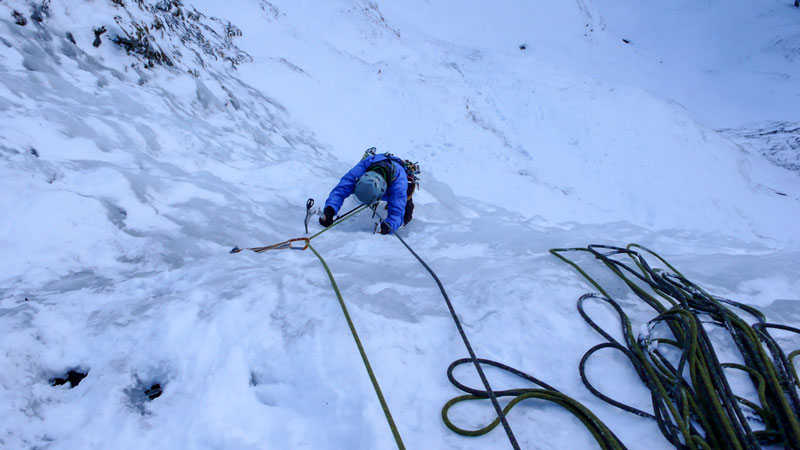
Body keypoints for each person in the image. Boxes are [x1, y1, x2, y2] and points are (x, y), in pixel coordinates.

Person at [319, 152, 415, 234]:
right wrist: (330, 209)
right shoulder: (362, 168)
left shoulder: (399, 183)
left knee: (406, 215)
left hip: (397, 181)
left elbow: (397, 212)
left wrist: (390, 225)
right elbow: (341, 190)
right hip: (381, 166)